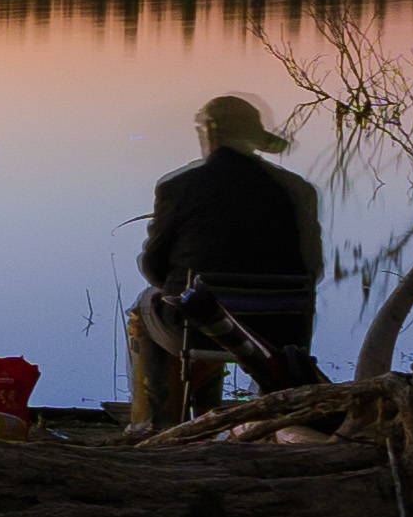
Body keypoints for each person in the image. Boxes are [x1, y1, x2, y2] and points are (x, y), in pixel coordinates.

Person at [135, 95, 327, 406]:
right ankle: (272, 411)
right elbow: (312, 269)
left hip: (197, 333)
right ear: (254, 138)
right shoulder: (298, 190)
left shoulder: (178, 187)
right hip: (280, 335)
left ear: (210, 134)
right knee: (197, 307)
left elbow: (154, 269)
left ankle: (163, 424)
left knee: (145, 306)